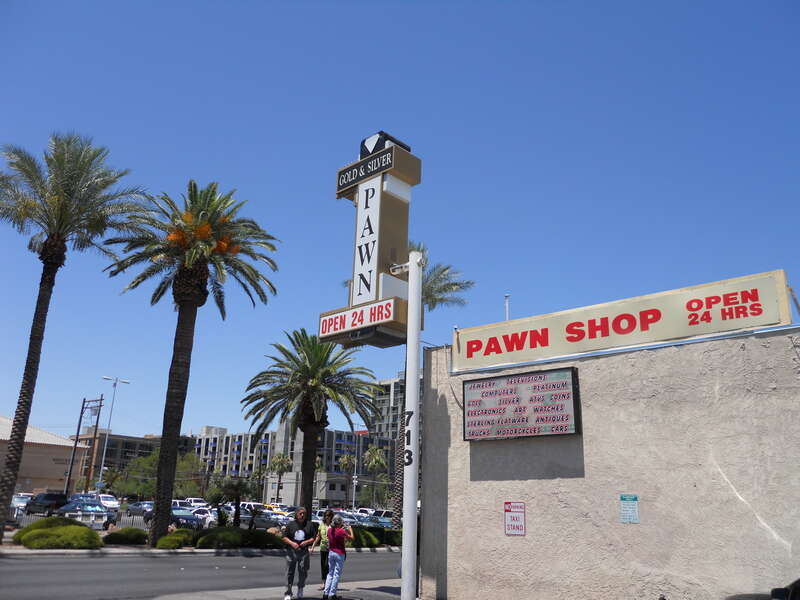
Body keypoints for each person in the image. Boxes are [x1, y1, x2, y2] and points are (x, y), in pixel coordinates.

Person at [282, 507, 318, 600]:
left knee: (303, 572)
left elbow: (313, 538)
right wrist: (292, 543)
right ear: (296, 514)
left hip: (304, 552)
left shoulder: (309, 525)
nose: (302, 515)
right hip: (291, 551)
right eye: (300, 513)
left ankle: (300, 588)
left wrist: (306, 542)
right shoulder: (290, 525)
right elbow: (284, 537)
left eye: (304, 514)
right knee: (289, 572)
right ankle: (288, 593)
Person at [322, 514, 354, 600]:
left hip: (331, 552)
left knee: (330, 573)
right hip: (339, 553)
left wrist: (342, 529)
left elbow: (332, 537)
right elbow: (351, 538)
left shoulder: (329, 530)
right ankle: (332, 594)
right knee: (336, 574)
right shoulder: (341, 531)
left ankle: (325, 593)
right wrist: (350, 529)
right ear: (339, 522)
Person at [310, 509, 335, 590]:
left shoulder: (333, 525)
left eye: (329, 516)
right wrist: (313, 546)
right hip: (323, 547)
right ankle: (324, 583)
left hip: (331, 548)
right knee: (323, 566)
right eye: (326, 516)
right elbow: (318, 536)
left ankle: (329, 583)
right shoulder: (322, 524)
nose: (327, 517)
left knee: (328, 566)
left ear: (331, 516)